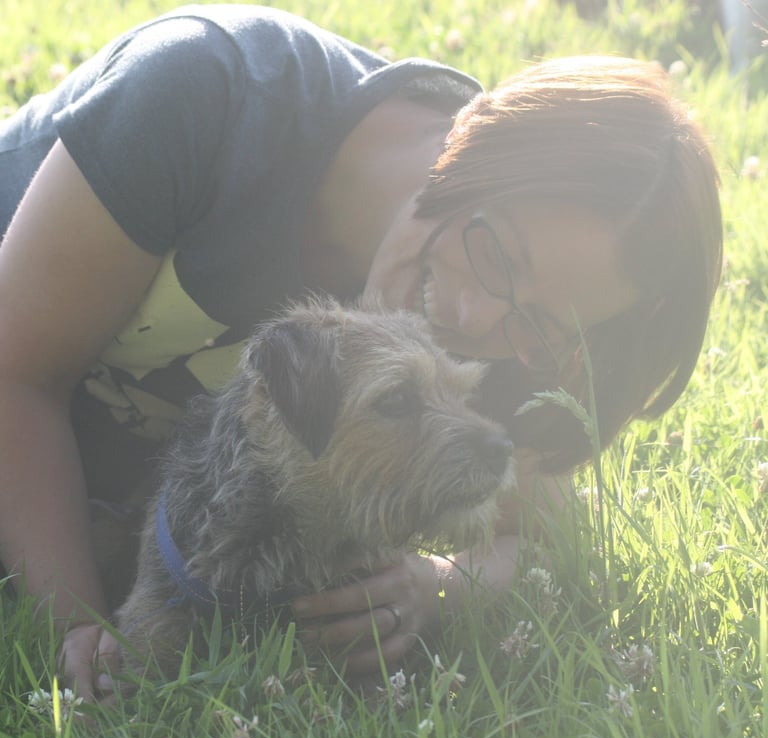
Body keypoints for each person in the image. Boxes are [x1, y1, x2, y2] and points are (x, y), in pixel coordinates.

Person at [0, 4, 722, 702]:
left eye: (540, 322)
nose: (473, 317)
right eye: (499, 251)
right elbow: (16, 374)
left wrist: (438, 585)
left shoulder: (502, 344)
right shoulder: (210, 94)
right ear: (471, 137)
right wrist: (80, 626)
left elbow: (539, 536)